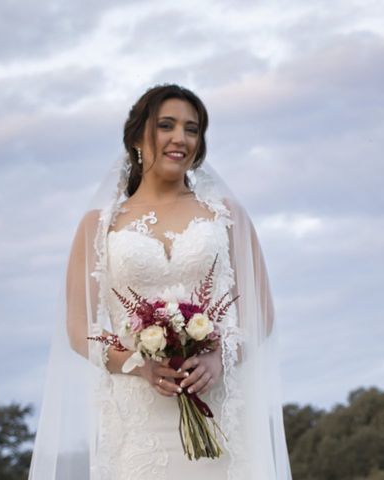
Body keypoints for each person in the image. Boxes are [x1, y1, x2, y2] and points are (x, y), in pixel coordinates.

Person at [28, 84, 291, 479]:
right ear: (137, 136)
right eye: (166, 125)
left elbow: (261, 313)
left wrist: (219, 357)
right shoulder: (99, 227)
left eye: (192, 129)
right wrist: (137, 365)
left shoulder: (226, 215)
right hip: (139, 418)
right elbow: (78, 329)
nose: (180, 138)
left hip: (220, 408)